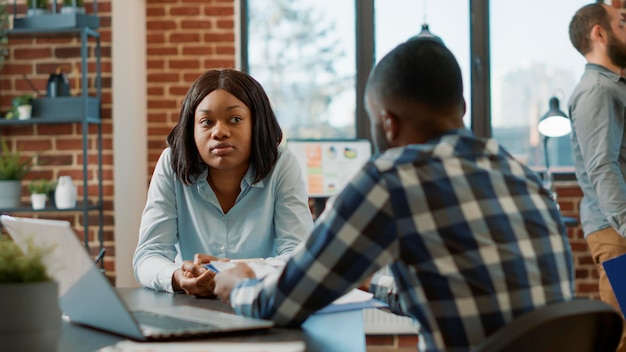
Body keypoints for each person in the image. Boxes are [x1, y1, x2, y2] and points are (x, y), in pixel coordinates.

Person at [212, 39, 575, 351]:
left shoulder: (392, 177)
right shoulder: (518, 172)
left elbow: (283, 303)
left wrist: (238, 284)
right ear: (462, 109)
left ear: (387, 122)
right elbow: (473, 293)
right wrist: (376, 285)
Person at [133, 69, 314, 296]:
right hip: (190, 307)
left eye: (235, 119)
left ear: (257, 124)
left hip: (261, 301)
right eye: (206, 122)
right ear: (192, 129)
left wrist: (236, 272)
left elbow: (301, 256)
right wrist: (177, 276)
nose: (219, 132)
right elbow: (149, 254)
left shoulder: (282, 165)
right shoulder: (172, 164)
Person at [568, 3, 626, 351]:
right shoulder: (596, 91)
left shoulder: (613, 86)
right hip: (616, 233)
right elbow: (603, 166)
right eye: (623, 23)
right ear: (600, 33)